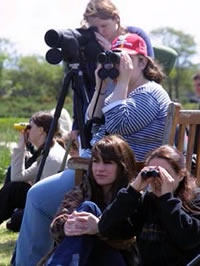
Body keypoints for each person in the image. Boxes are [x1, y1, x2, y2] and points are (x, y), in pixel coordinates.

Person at [13, 31, 171, 265]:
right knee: (39, 197)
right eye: (115, 57)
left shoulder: (150, 93)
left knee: (37, 197)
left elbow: (118, 125)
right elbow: (92, 123)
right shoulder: (121, 91)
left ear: (142, 61)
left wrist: (123, 82)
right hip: (104, 170)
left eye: (125, 58)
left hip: (127, 177)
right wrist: (100, 85)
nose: (119, 64)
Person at [65, 145, 200, 266]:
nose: (158, 180)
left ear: (181, 175)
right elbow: (107, 228)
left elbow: (188, 239)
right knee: (88, 211)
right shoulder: (147, 201)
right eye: (154, 173)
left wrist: (167, 199)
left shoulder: (195, 200)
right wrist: (133, 190)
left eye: (165, 174)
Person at [37, 134, 137, 266]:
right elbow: (58, 221)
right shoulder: (83, 190)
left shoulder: (133, 196)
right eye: (95, 161)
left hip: (118, 258)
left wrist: (99, 227)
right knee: (86, 210)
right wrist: (65, 226)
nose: (99, 168)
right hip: (83, 256)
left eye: (107, 163)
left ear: (122, 166)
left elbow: (130, 239)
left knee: (90, 211)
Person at [70, 0, 154, 152]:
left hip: (131, 106)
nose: (101, 31)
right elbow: (80, 87)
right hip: (97, 105)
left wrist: (113, 54)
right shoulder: (88, 43)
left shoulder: (136, 35)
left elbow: (149, 74)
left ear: (116, 18)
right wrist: (77, 126)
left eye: (104, 25)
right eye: (95, 27)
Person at [0, 111, 67, 231]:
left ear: (41, 130)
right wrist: (22, 146)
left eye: (30, 127)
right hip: (45, 200)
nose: (27, 130)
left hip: (48, 208)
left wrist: (20, 145)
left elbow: (17, 177)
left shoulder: (50, 156)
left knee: (13, 192)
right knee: (13, 188)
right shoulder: (50, 149)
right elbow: (18, 176)